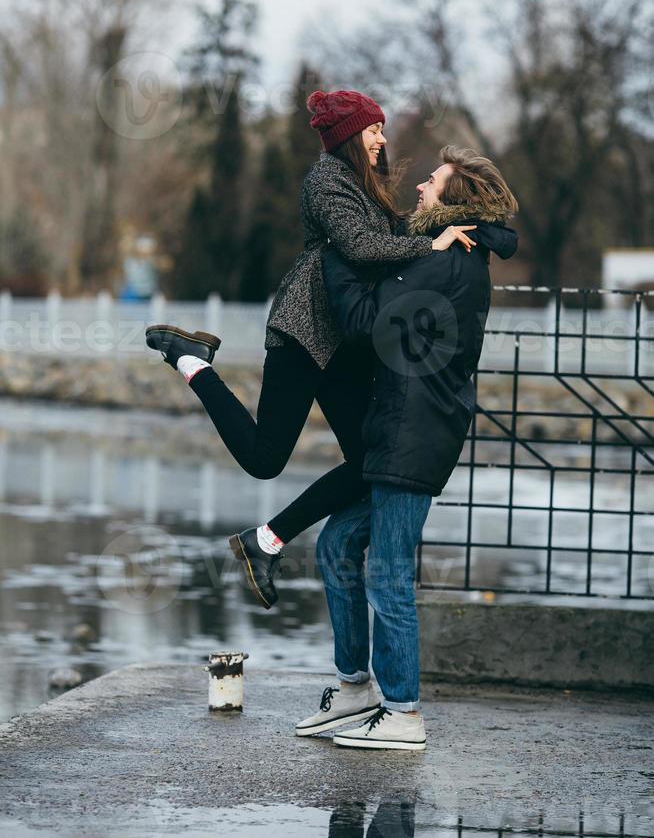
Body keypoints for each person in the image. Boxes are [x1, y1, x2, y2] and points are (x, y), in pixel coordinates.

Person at [145, 91, 477, 608]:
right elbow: (363, 248)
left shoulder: (363, 183)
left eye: (382, 128)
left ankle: (266, 541)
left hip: (342, 340)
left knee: (370, 460)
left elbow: (388, 238)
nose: (382, 139)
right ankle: (190, 361)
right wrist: (430, 245)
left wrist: (469, 225)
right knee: (264, 460)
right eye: (373, 130)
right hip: (303, 331)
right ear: (349, 135)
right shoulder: (327, 180)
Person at [293, 146, 518, 751]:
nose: (421, 185)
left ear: (457, 200)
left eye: (434, 181)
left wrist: (338, 250)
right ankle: (355, 686)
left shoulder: (445, 262)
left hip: (413, 434)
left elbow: (367, 320)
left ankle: (403, 712)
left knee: (388, 571)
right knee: (339, 542)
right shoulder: (446, 253)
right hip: (405, 428)